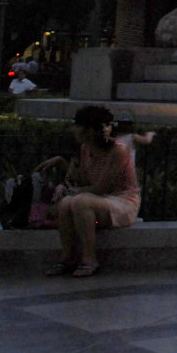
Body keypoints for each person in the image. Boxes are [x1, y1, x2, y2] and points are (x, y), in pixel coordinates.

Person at [40, 104, 139, 277]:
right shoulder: (86, 149)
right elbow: (87, 181)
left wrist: (71, 192)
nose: (74, 130)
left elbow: (101, 188)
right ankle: (68, 257)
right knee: (66, 204)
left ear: (91, 130)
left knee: (79, 202)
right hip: (98, 202)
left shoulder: (118, 151)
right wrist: (62, 163)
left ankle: (89, 259)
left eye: (78, 126)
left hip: (122, 202)